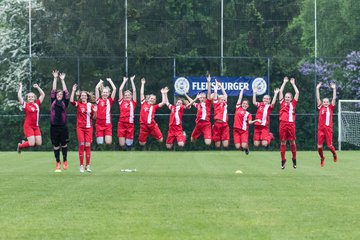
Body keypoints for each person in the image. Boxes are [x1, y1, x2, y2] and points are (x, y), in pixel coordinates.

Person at [70, 84, 97, 173]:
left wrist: (95, 112)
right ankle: (81, 165)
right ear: (80, 97)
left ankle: (88, 165)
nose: (83, 97)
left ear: (87, 97)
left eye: (85, 95)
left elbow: (94, 118)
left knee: (88, 145)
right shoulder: (78, 104)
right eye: (82, 96)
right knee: (81, 145)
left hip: (89, 128)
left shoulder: (91, 106)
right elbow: (71, 101)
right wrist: (73, 90)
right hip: (80, 128)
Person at [17, 82, 45, 153]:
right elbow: (19, 97)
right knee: (32, 143)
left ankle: (24, 143)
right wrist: (20, 87)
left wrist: (38, 87)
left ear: (34, 98)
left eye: (32, 97)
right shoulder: (25, 105)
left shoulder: (37, 104)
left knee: (39, 143)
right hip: (28, 126)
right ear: (27, 98)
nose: (30, 98)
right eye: (29, 97)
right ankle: (20, 146)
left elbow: (43, 94)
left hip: (36, 126)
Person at [138, 78, 167, 148]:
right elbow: (141, 93)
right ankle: (146, 144)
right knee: (141, 144)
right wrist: (142, 84)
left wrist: (164, 93)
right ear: (148, 99)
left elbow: (163, 102)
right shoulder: (143, 103)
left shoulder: (154, 107)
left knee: (161, 140)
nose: (152, 100)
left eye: (154, 99)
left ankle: (152, 135)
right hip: (144, 126)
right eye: (151, 98)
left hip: (152, 126)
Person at [50, 70, 70, 172]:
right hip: (54, 127)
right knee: (56, 145)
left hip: (63, 126)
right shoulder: (53, 101)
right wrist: (55, 78)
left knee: (64, 144)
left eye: (61, 94)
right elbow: (53, 90)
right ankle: (58, 162)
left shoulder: (64, 103)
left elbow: (66, 92)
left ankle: (65, 160)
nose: (59, 95)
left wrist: (62, 80)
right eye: (58, 94)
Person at [278, 77, 299, 169]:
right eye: (286, 97)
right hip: (283, 124)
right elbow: (280, 92)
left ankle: (294, 159)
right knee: (283, 141)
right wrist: (284, 82)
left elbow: (297, 93)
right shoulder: (282, 102)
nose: (287, 98)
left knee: (292, 141)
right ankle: (283, 160)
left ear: (291, 98)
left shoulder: (293, 103)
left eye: (288, 97)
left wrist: (293, 84)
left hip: (291, 125)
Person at [185, 75, 212, 146]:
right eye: (201, 98)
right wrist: (185, 94)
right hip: (198, 124)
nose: (202, 99)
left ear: (206, 98)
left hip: (206, 124)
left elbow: (209, 93)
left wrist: (208, 82)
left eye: (204, 98)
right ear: (199, 99)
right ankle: (195, 148)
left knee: (208, 143)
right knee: (192, 140)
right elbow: (192, 101)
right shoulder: (198, 105)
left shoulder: (208, 104)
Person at [233, 87, 261, 154]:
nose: (244, 105)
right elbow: (240, 98)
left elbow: (250, 122)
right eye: (244, 103)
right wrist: (242, 90)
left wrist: (256, 120)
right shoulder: (238, 108)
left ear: (248, 106)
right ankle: (244, 147)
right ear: (241, 104)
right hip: (236, 130)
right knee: (237, 147)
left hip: (243, 131)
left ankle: (246, 148)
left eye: (246, 104)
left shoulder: (248, 114)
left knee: (243, 146)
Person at [316, 82, 337, 167]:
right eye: (324, 102)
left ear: (329, 103)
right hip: (321, 130)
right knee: (319, 147)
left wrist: (334, 89)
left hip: (328, 129)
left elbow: (334, 98)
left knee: (329, 146)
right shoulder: (320, 107)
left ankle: (334, 154)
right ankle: (322, 158)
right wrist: (317, 88)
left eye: (327, 102)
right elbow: (318, 98)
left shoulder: (331, 108)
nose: (325, 103)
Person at [118, 75, 137, 150]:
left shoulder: (133, 102)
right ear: (123, 96)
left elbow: (134, 91)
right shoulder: (121, 101)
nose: (127, 96)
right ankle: (123, 151)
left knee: (129, 143)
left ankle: (130, 151)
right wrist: (124, 81)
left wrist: (132, 80)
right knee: (122, 145)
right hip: (122, 124)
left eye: (128, 95)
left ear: (131, 96)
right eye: (125, 95)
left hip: (130, 125)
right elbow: (120, 90)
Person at [95, 78, 116, 145]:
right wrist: (100, 82)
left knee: (108, 142)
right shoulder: (98, 100)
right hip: (99, 124)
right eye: (104, 92)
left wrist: (110, 81)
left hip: (107, 124)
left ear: (108, 94)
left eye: (106, 92)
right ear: (101, 93)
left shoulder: (110, 100)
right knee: (100, 143)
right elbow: (96, 88)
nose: (105, 93)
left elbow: (114, 89)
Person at [212, 80, 230, 149]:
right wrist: (216, 87)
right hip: (217, 124)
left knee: (225, 145)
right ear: (219, 100)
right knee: (217, 145)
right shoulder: (216, 103)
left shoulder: (225, 104)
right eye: (221, 99)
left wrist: (221, 86)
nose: (222, 100)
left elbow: (225, 95)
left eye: (223, 99)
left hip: (224, 124)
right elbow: (216, 95)